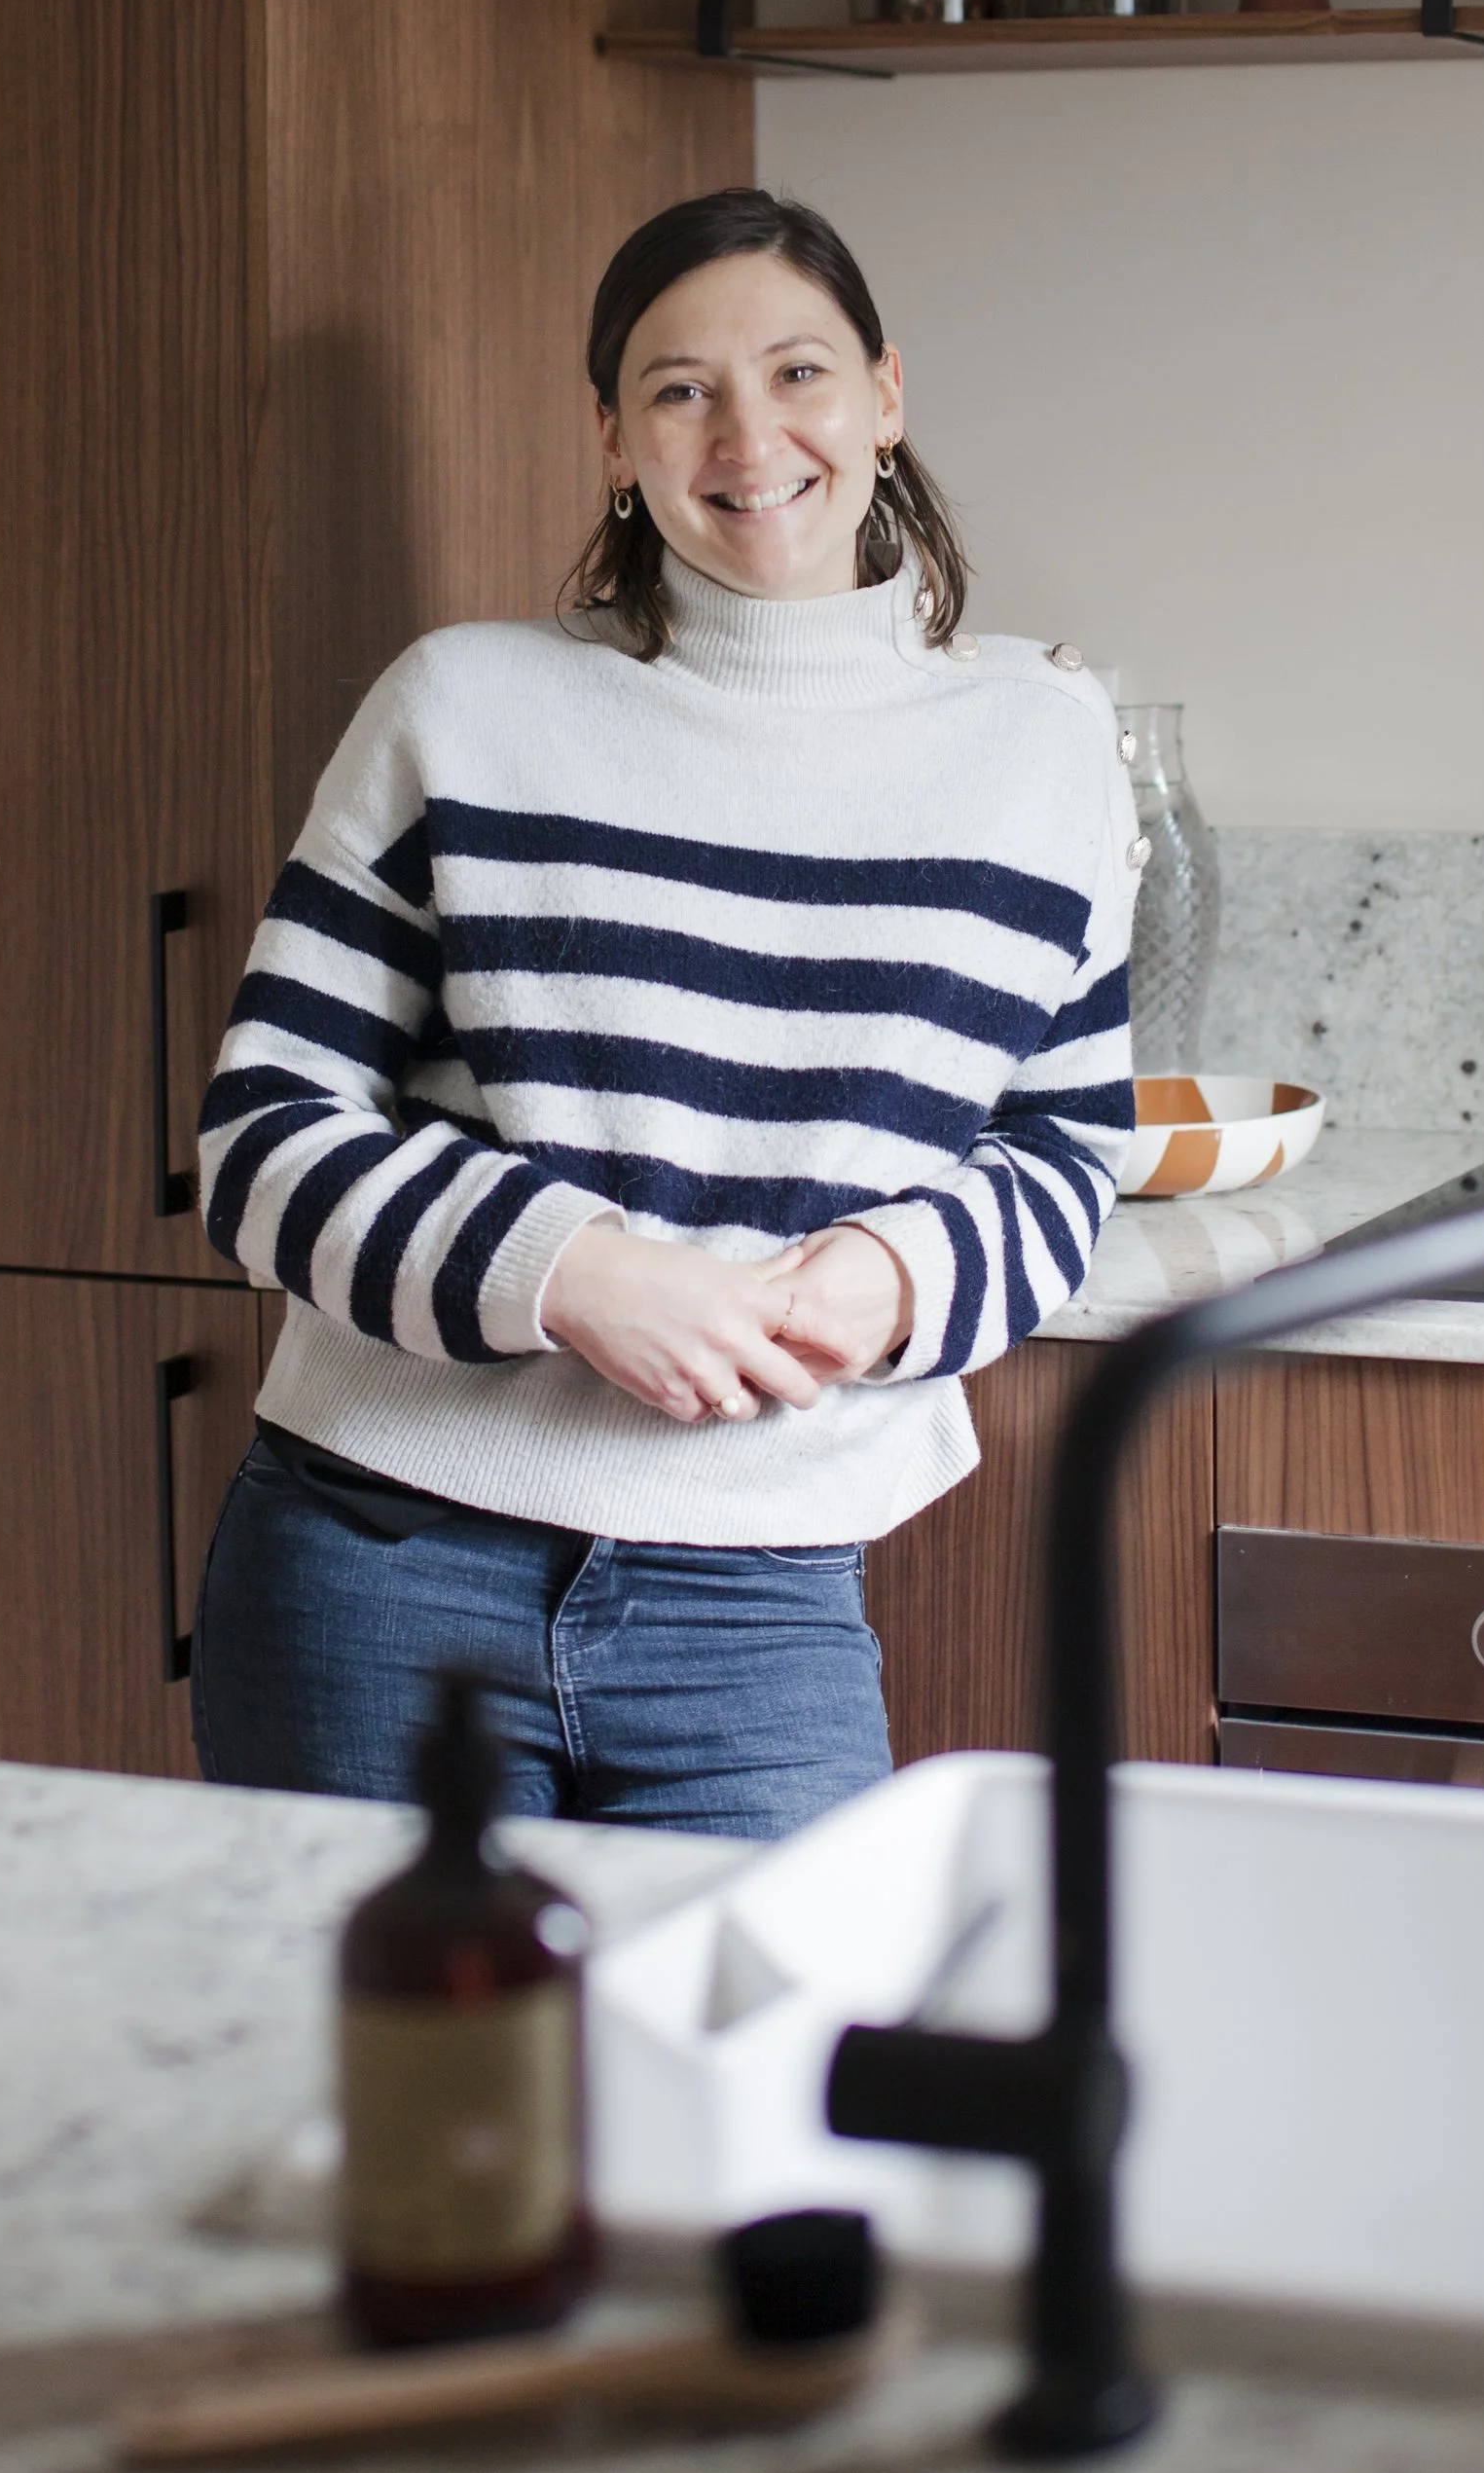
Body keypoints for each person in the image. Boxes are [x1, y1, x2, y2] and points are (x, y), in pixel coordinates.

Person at [190, 186, 1142, 1835]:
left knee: (749, 2082)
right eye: (680, 388)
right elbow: (261, 1140)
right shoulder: (461, 708)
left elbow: (1067, 1148)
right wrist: (569, 1274)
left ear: (885, 396)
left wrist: (900, 1270)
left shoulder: (1040, 746)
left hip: (756, 1603)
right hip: (375, 1561)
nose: (748, 432)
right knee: (403, 2095)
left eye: (798, 372)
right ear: (615, 440)